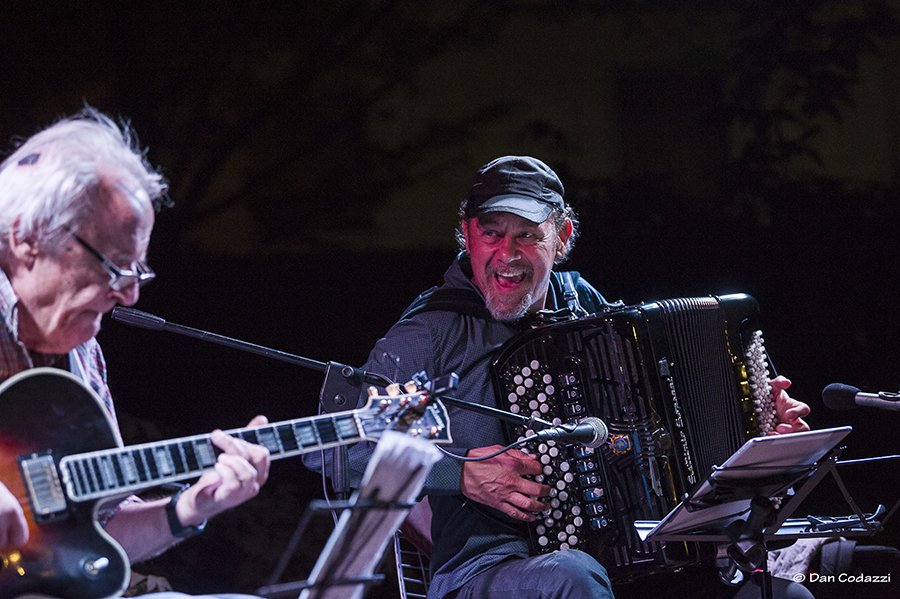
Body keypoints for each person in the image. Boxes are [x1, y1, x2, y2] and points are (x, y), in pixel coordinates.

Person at [306, 156, 814, 599]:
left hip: (623, 561)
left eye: (527, 234)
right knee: (572, 576)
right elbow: (328, 450)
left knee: (780, 591)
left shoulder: (581, 303)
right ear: (466, 233)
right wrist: (456, 473)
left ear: (563, 236)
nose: (507, 253)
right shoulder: (432, 330)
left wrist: (756, 422)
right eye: (491, 233)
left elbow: (661, 415)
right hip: (486, 573)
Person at [0, 107, 270, 599]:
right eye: (115, 266)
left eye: (136, 273)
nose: (129, 295)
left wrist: (191, 507)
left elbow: (100, 529)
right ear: (26, 238)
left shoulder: (83, 357)